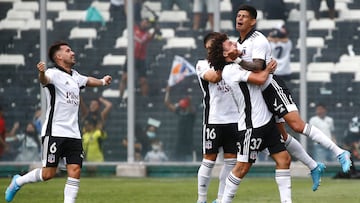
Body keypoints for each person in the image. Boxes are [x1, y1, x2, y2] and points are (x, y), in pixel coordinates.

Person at [233, 4, 351, 176]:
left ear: (253, 21)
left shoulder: (258, 40)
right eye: (238, 15)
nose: (240, 18)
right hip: (257, 95)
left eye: (244, 16)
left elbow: (258, 67)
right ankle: (313, 166)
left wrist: (237, 62)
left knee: (297, 125)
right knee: (282, 136)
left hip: (271, 88)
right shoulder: (237, 44)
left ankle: (339, 152)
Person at [5, 40, 112, 203]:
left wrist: (103, 81)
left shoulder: (75, 76)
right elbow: (44, 80)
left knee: (75, 169)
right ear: (59, 56)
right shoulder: (53, 73)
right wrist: (41, 73)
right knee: (48, 174)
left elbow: (88, 80)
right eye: (68, 51)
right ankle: (18, 181)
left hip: (74, 133)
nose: (73, 53)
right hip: (55, 131)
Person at [207, 33, 292, 203]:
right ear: (225, 54)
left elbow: (256, 69)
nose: (234, 43)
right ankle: (224, 201)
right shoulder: (230, 70)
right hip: (251, 125)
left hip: (266, 122)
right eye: (229, 44)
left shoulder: (242, 64)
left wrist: (265, 67)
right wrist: (268, 68)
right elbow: (261, 79)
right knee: (242, 167)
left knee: (284, 159)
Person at [195, 33, 239, 203]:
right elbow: (214, 77)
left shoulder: (234, 63)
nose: (211, 51)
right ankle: (202, 199)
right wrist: (227, 59)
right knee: (209, 160)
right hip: (214, 119)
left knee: (231, 161)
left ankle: (220, 199)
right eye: (208, 48)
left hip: (235, 118)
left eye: (214, 47)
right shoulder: (202, 65)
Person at [119, 18, 156, 102]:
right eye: (144, 22)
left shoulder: (147, 34)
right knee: (124, 78)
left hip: (141, 59)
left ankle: (145, 99)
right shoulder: (134, 29)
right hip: (131, 57)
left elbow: (149, 38)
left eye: (146, 23)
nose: (144, 24)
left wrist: (155, 30)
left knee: (143, 80)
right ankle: (120, 97)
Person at [164, 86, 196, 161]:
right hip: (179, 140)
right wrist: (167, 92)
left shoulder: (191, 113)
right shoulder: (179, 110)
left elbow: (191, 109)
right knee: (178, 158)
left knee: (190, 159)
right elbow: (167, 104)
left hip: (189, 140)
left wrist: (189, 101)